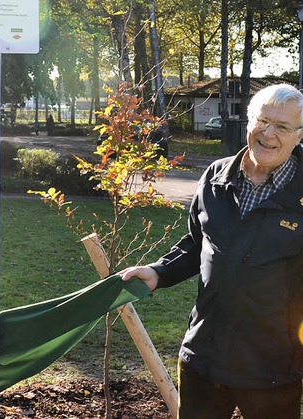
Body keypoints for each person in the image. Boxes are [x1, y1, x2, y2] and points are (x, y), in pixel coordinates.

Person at [120, 83, 303, 419]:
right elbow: (196, 244)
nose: (269, 134)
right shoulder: (216, 177)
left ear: (299, 136)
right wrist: (159, 272)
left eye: (283, 127)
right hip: (204, 359)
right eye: (262, 121)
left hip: (273, 369)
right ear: (248, 122)